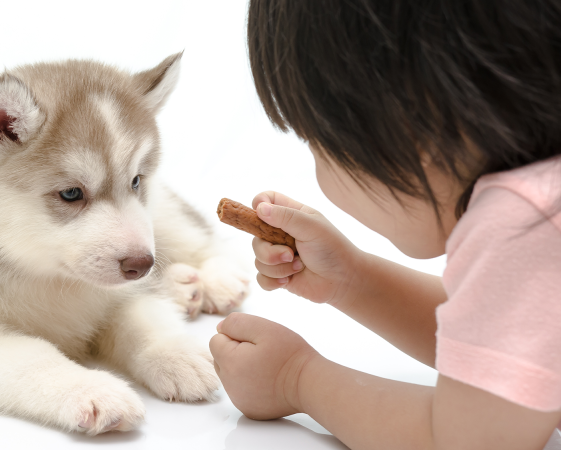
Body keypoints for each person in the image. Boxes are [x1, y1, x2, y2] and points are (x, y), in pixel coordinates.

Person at [209, 1, 561, 448]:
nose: (318, 168)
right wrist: (351, 279)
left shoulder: (523, 225)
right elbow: (507, 345)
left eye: (315, 140)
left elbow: (462, 442)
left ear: (413, 126)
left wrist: (295, 378)